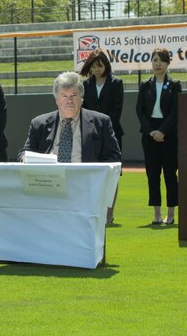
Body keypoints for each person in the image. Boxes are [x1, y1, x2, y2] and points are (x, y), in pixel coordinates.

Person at [18, 71, 121, 163]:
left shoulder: (101, 123)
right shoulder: (39, 124)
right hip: (50, 180)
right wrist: (25, 160)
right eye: (64, 96)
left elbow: (113, 156)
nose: (69, 101)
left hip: (85, 181)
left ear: (81, 99)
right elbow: (25, 153)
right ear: (57, 100)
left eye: (74, 95)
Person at [136, 48, 182, 225]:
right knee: (152, 175)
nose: (157, 64)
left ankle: (170, 214)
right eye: (155, 60)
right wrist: (151, 131)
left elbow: (175, 111)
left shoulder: (174, 84)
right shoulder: (145, 85)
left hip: (169, 134)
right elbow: (139, 111)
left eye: (161, 60)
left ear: (168, 63)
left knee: (170, 174)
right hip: (149, 135)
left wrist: (162, 131)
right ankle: (156, 213)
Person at [79, 47, 124, 224]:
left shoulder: (116, 83)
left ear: (106, 65)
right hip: (89, 136)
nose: (97, 69)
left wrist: (102, 128)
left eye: (100, 65)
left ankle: (109, 215)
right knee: (90, 175)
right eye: (94, 66)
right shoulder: (85, 85)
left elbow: (116, 110)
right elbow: (83, 110)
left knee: (112, 175)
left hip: (111, 135)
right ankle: (93, 212)